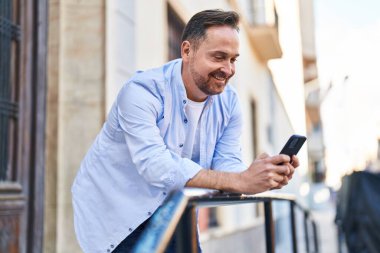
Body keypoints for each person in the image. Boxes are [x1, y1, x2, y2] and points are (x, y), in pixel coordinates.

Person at [71, 9, 299, 253]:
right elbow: (156, 166)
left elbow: (226, 165)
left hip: (172, 206)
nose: (228, 69)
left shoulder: (229, 103)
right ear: (187, 51)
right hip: (115, 212)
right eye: (219, 57)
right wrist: (241, 180)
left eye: (233, 59)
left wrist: (261, 176)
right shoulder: (141, 92)